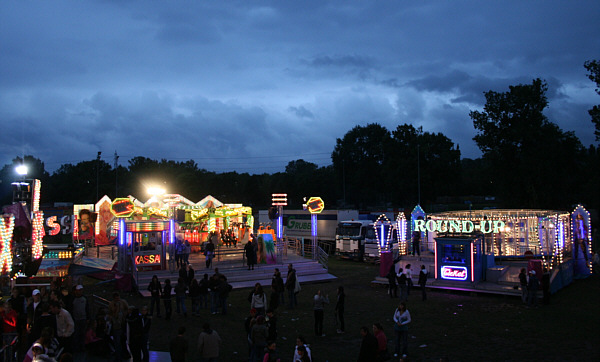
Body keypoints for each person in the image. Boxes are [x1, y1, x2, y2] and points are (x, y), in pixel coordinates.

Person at [108, 292, 129, 361]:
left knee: (123, 340)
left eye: (118, 298)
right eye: (116, 299)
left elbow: (127, 308)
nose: (118, 300)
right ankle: (118, 356)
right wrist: (117, 308)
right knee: (117, 342)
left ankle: (125, 353)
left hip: (123, 323)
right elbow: (111, 313)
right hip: (116, 325)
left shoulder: (123, 302)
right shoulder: (111, 304)